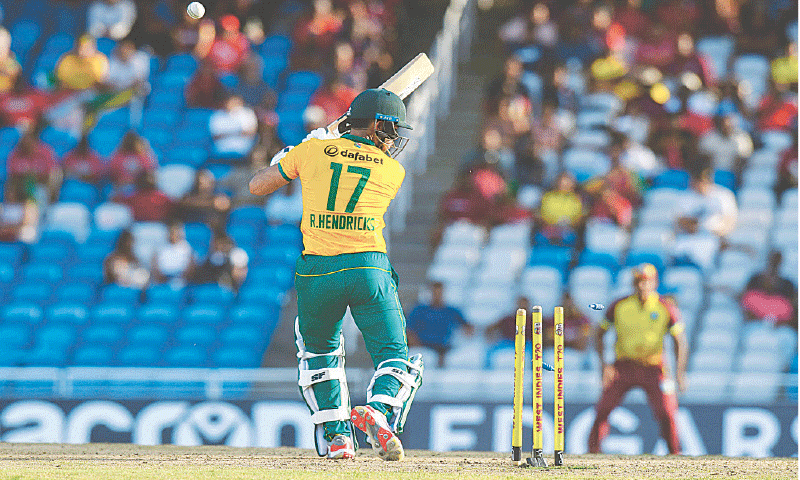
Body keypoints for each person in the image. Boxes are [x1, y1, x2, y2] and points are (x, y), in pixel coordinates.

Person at [249, 88, 422, 461]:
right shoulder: (393, 170)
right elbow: (356, 161)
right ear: (377, 124)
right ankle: (379, 410)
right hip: (367, 267)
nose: (392, 140)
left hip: (317, 272)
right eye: (390, 131)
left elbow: (257, 185)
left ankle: (339, 439)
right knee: (396, 356)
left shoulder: (311, 151)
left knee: (319, 355)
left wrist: (291, 154)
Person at [588, 263, 688, 455]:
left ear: (655, 283)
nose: (641, 286)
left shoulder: (665, 307)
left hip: (654, 367)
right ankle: (593, 451)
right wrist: (604, 365)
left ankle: (674, 454)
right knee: (603, 408)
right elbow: (599, 333)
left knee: (667, 412)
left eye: (646, 281)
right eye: (638, 282)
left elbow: (679, 341)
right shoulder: (619, 305)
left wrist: (680, 373)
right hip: (623, 366)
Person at [406, 281, 473, 368]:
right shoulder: (419, 310)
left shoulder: (451, 311)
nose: (437, 295)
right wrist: (418, 345)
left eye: (439, 293)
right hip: (423, 346)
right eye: (434, 293)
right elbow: (409, 331)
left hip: (444, 348)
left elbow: (467, 326)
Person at [740, 252, 798, 330]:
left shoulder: (788, 285)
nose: (774, 262)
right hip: (754, 326)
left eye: (777, 260)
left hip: (781, 328)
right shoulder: (755, 279)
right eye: (772, 259)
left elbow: (792, 313)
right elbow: (745, 306)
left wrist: (779, 322)